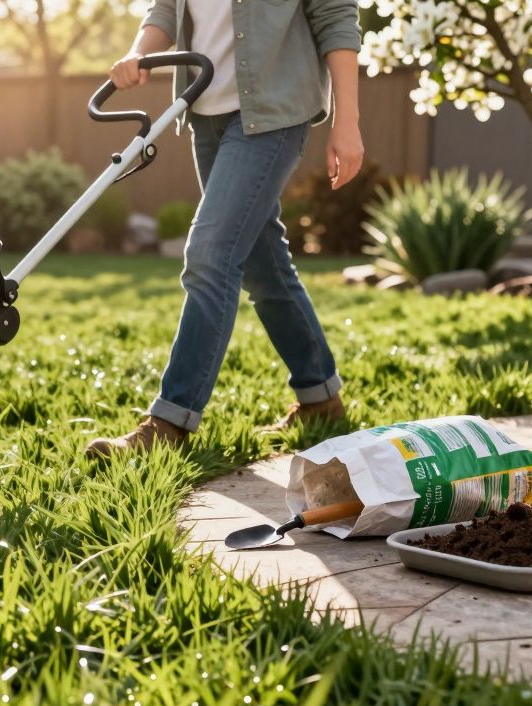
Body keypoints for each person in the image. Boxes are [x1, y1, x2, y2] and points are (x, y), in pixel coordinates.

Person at [86, 0, 364, 458]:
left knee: (211, 254)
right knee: (264, 264)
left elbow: (335, 16)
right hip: (205, 115)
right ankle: (321, 399)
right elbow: (166, 9)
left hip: (273, 112)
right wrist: (137, 53)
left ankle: (171, 421)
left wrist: (347, 121)